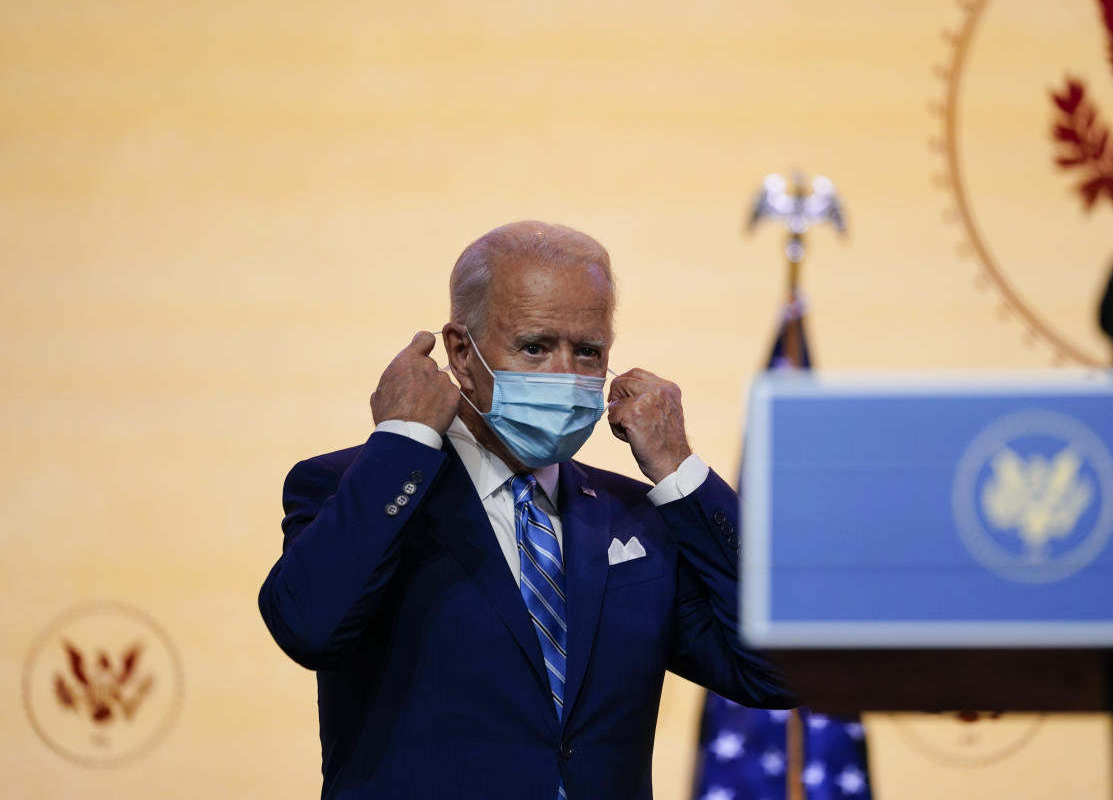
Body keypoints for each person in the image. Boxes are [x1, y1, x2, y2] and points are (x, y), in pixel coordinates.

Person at [258, 221, 794, 799]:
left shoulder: (638, 518)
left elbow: (781, 670)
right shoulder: (356, 488)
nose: (565, 375)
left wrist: (680, 470)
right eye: (535, 347)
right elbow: (308, 628)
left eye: (588, 352)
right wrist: (402, 445)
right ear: (461, 353)